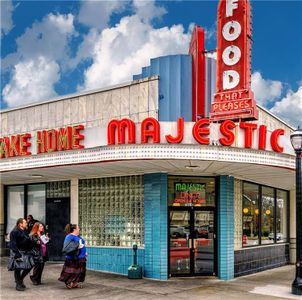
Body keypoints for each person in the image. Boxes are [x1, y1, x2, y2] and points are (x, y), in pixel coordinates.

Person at [9, 218, 35, 291]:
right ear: (20, 224)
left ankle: (20, 280)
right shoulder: (14, 232)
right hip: (18, 252)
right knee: (18, 268)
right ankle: (18, 284)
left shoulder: (25, 231)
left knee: (30, 266)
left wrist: (32, 243)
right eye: (25, 222)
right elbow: (12, 244)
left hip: (26, 252)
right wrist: (17, 254)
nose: (26, 223)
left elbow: (27, 240)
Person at [58, 224, 87, 289]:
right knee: (71, 271)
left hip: (81, 257)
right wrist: (77, 246)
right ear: (74, 230)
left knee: (80, 271)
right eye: (78, 228)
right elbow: (67, 247)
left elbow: (82, 245)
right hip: (73, 257)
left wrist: (85, 252)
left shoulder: (78, 236)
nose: (79, 229)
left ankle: (75, 283)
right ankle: (68, 282)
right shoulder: (69, 236)